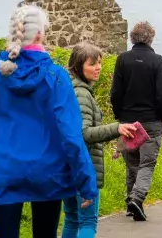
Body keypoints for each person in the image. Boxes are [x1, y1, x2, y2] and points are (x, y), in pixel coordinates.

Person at [0, 4, 98, 238]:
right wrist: (86, 182)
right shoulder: (56, 77)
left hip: (5, 168)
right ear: (40, 34)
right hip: (48, 173)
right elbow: (71, 136)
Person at [62, 43, 137, 238]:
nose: (98, 68)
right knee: (87, 221)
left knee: (72, 220)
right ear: (79, 66)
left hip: (67, 167)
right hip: (83, 167)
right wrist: (117, 128)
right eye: (92, 64)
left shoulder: (70, 89)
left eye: (100, 63)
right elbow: (84, 132)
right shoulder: (82, 94)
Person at [109, 20, 162, 221]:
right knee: (147, 164)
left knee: (132, 163)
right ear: (150, 38)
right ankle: (137, 198)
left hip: (128, 120)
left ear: (132, 38)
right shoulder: (158, 61)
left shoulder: (122, 59)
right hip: (151, 122)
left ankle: (130, 202)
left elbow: (115, 93)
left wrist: (120, 116)